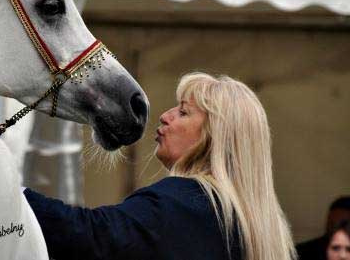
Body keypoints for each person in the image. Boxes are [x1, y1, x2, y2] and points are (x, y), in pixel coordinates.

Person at [24, 72, 296, 260]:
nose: (165, 116)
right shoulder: (252, 226)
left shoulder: (184, 204)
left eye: (183, 112)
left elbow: (92, 236)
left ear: (215, 135)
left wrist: (13, 192)